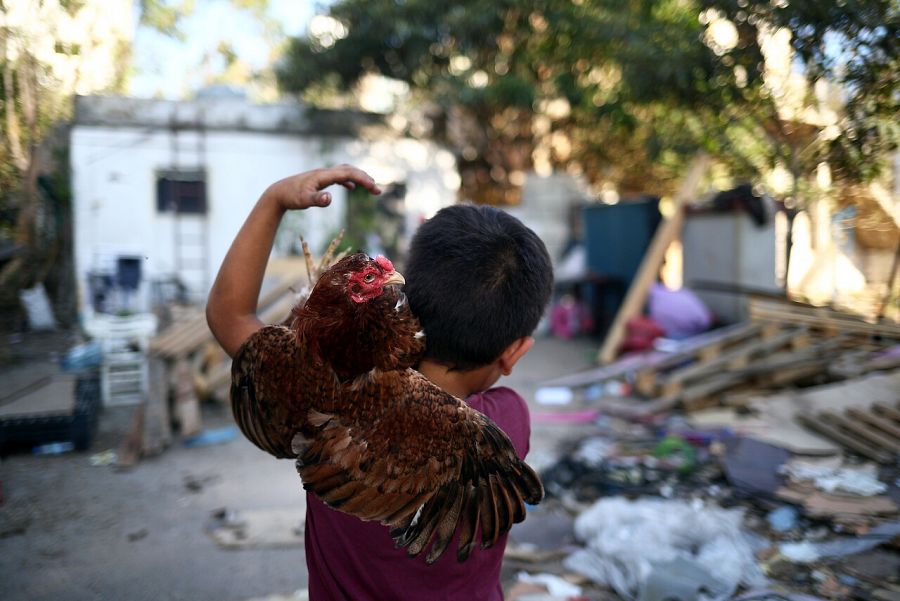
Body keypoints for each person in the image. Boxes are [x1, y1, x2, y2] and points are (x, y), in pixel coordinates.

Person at [206, 165, 554, 601]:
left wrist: (273, 200)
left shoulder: (330, 393)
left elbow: (230, 316)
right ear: (515, 352)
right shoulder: (508, 418)